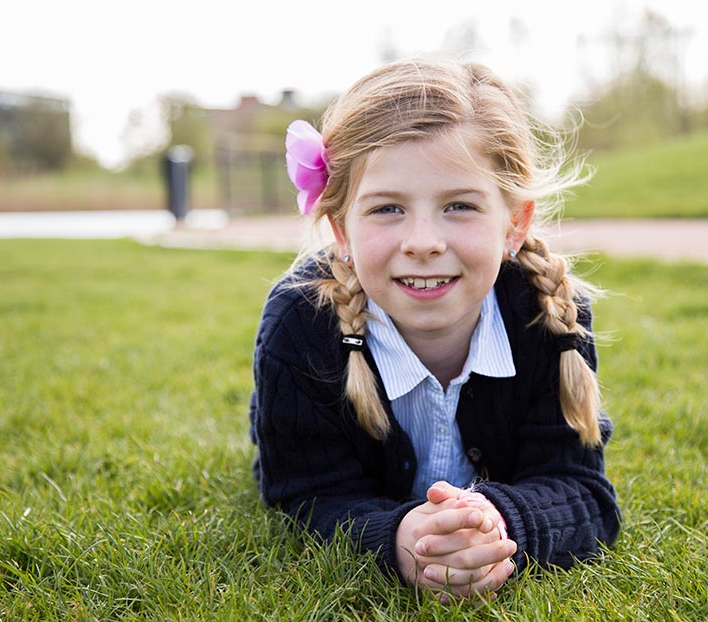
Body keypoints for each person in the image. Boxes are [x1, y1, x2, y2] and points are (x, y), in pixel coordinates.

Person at [248, 59, 620, 603]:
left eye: (460, 206)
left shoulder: (549, 315)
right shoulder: (301, 326)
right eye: (388, 208)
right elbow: (307, 497)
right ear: (340, 228)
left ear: (514, 223)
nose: (423, 241)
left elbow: (581, 491)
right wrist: (397, 540)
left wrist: (498, 526)